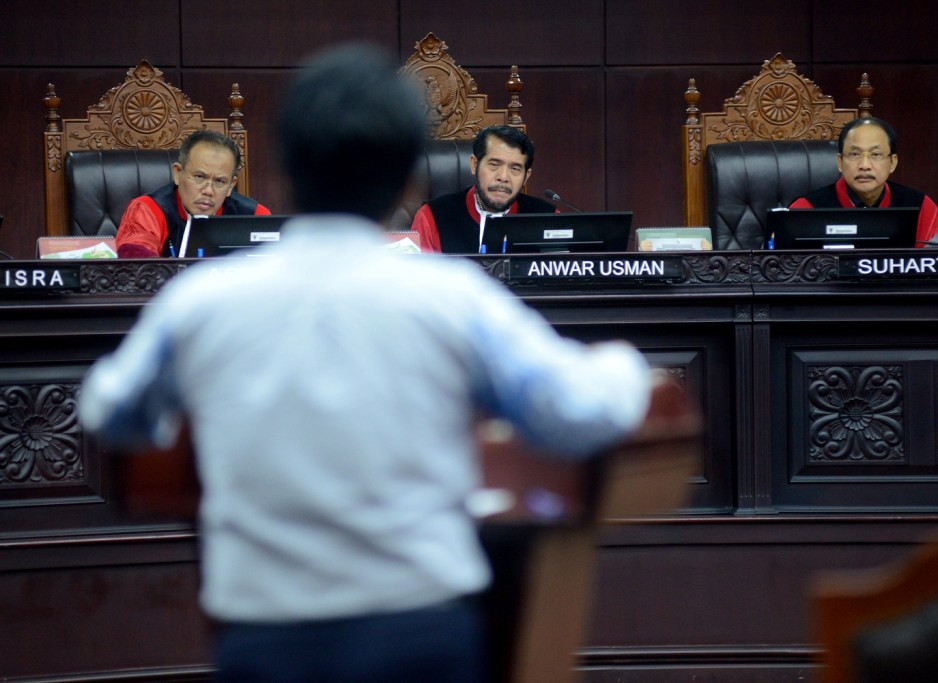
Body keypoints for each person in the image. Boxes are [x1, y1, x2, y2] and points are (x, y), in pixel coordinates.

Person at [78, 44, 652, 682]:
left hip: (264, 643)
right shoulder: (452, 298)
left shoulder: (200, 302)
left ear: (286, 168)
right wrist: (625, 364)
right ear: (409, 178)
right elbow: (578, 413)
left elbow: (107, 410)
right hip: (422, 636)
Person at [115, 130, 271, 258]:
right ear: (177, 173)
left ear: (231, 185)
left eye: (220, 181)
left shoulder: (255, 216)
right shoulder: (148, 210)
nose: (208, 191)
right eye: (199, 177)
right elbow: (136, 268)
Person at [789, 116, 938, 246]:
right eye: (855, 154)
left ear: (893, 162)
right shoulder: (805, 210)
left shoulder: (921, 208)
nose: (865, 166)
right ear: (840, 161)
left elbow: (934, 271)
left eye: (876, 155)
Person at [410, 125, 556, 254]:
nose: (503, 177)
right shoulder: (432, 217)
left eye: (515, 168)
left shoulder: (548, 218)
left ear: (526, 176)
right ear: (474, 165)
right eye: (494, 164)